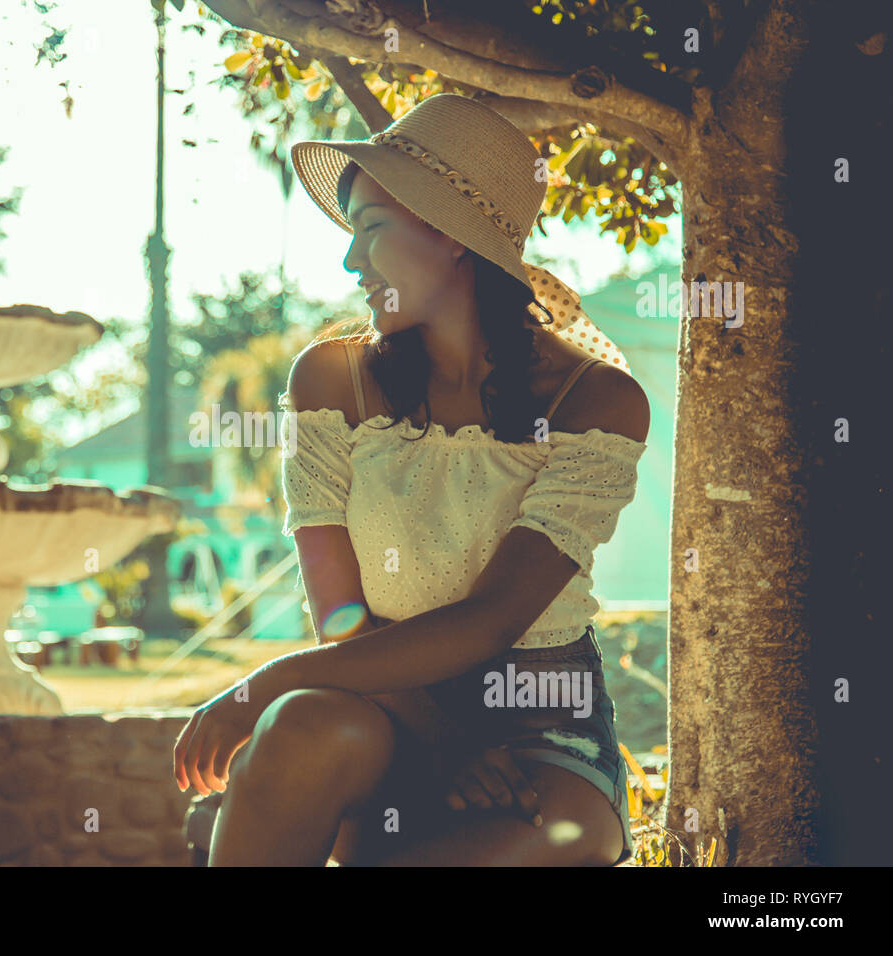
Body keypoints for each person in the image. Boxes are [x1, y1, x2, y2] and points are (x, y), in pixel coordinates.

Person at [171, 93, 649, 866]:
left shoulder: (596, 401)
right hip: (385, 707)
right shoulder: (331, 381)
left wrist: (259, 682)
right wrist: (437, 741)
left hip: (538, 723)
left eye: (370, 231)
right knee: (299, 727)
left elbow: (491, 621)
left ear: (451, 235)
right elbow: (341, 613)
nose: (351, 260)